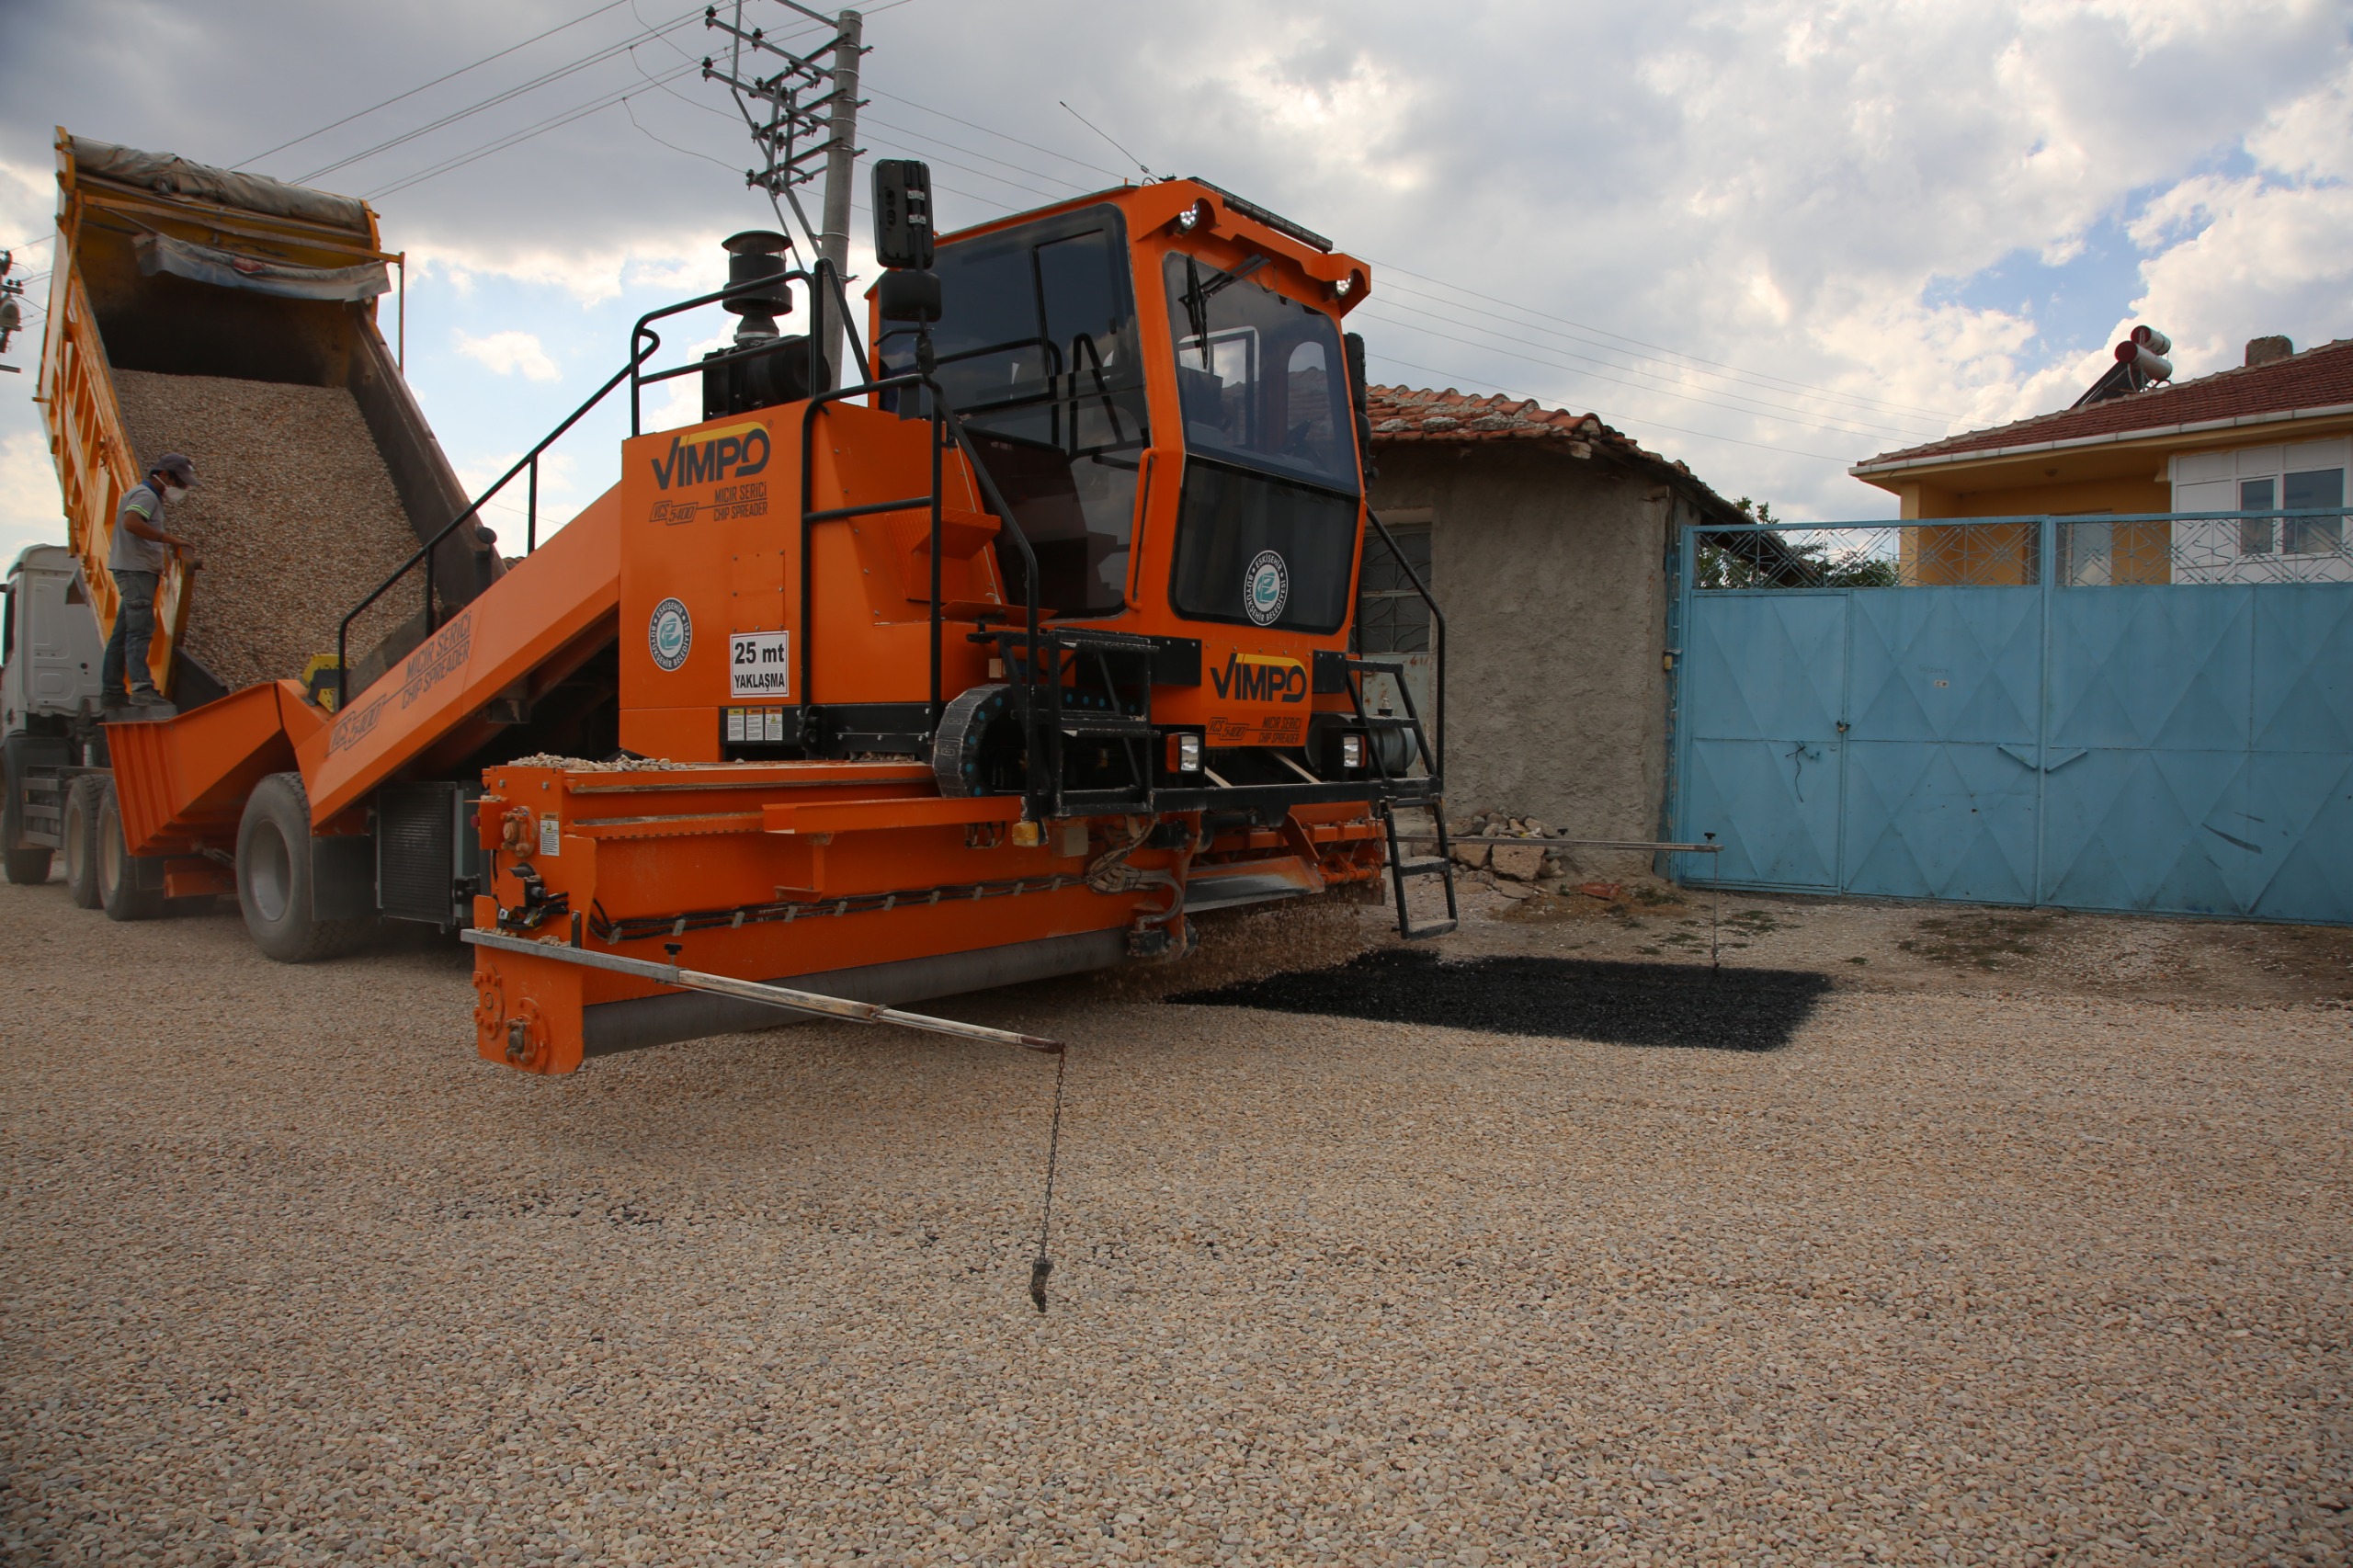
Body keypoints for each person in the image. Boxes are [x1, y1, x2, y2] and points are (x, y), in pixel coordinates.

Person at [99, 453, 198, 708]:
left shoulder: (145, 494)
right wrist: (170, 539)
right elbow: (132, 522)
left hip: (132, 569)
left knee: (122, 633)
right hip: (136, 571)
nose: (182, 489)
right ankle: (142, 687)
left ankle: (112, 690)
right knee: (139, 630)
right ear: (164, 475)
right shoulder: (146, 496)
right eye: (180, 482)